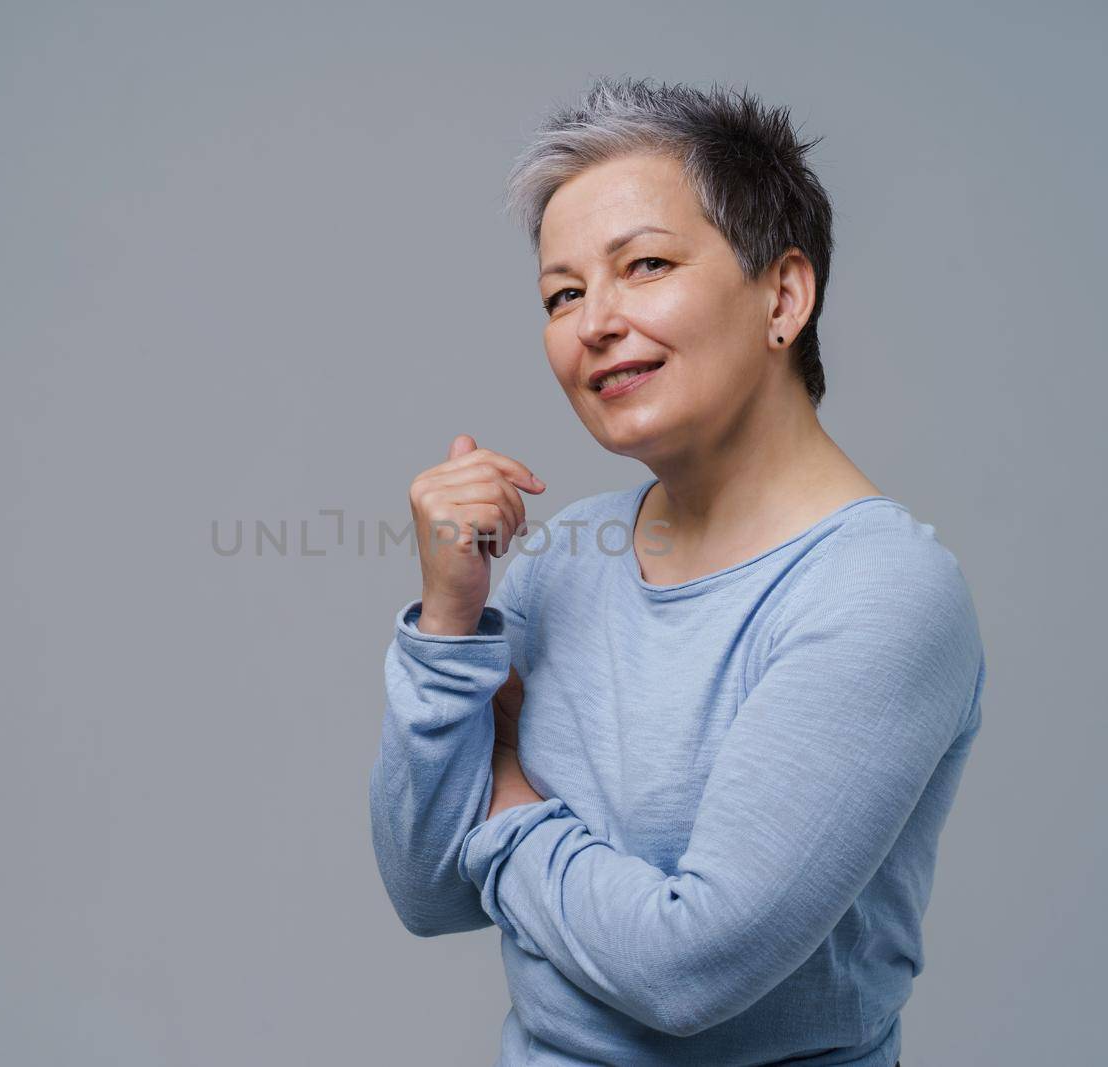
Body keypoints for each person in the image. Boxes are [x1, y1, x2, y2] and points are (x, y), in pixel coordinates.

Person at [368, 76, 982, 1067]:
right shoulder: (567, 555)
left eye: (643, 265)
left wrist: (511, 795)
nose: (592, 323)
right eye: (562, 294)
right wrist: (448, 621)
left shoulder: (877, 594)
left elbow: (685, 971)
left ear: (783, 294)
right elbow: (427, 887)